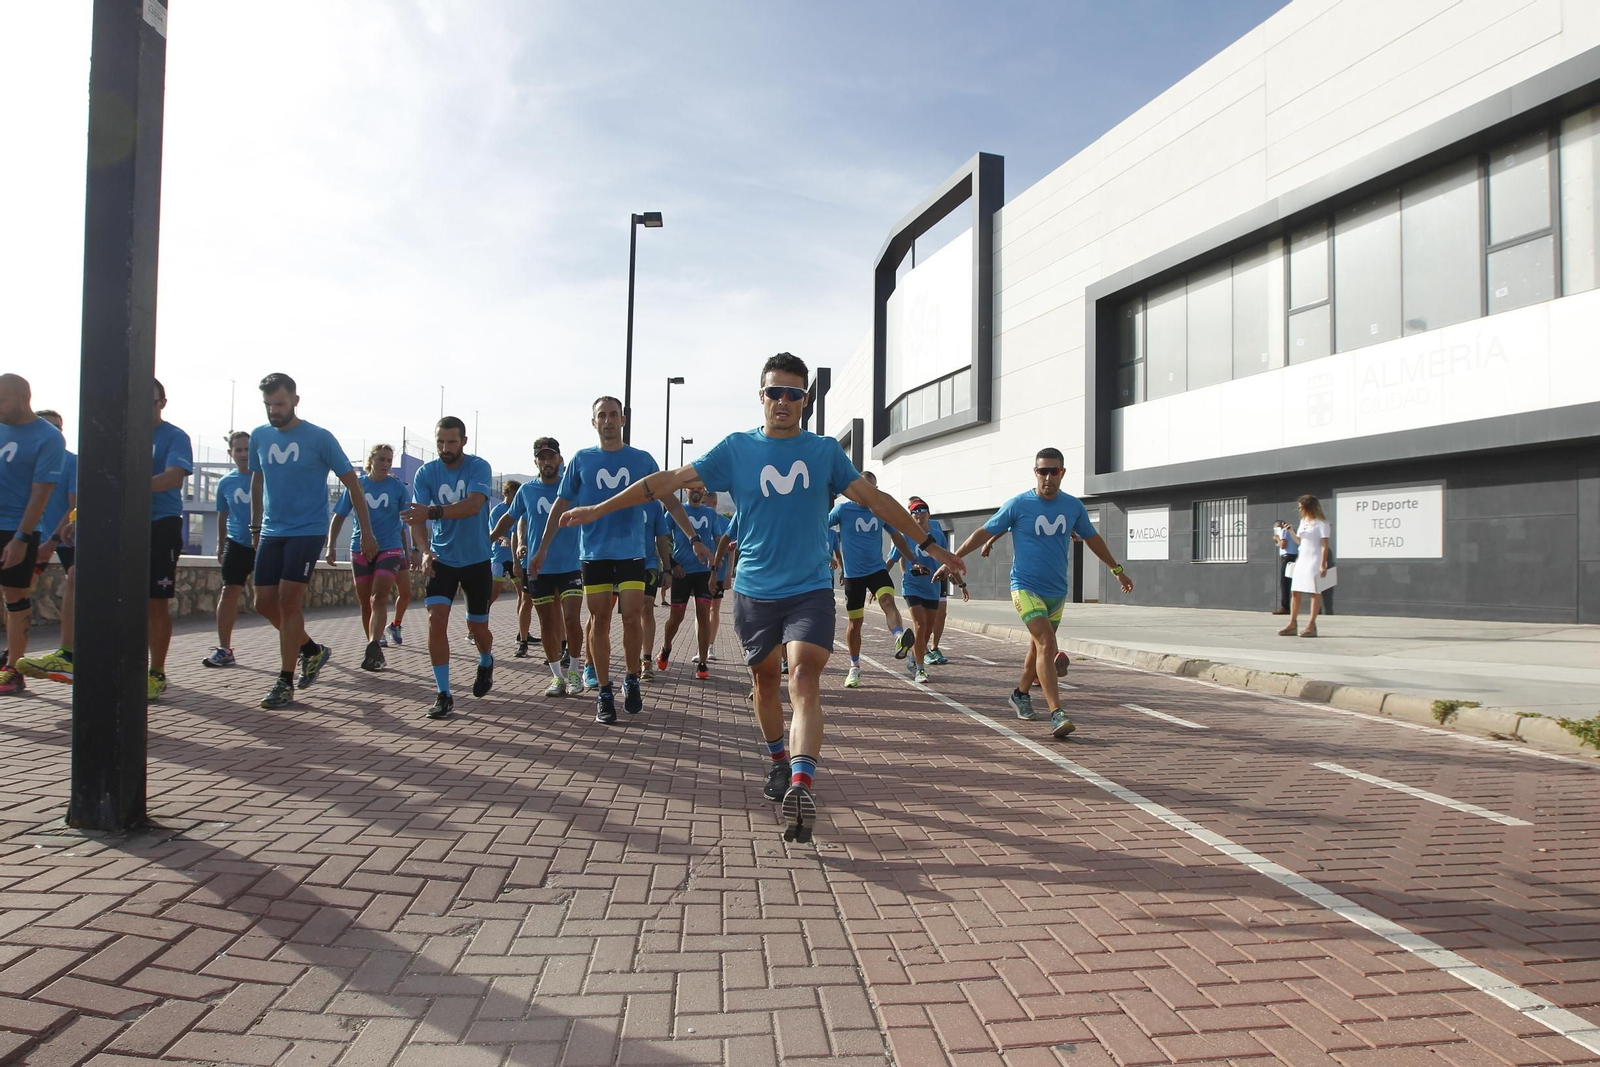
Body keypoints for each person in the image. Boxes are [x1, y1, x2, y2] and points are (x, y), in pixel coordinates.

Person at [560, 353, 965, 843]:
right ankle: (777, 757)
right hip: (754, 590)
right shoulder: (735, 450)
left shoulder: (824, 453)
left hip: (811, 589)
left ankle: (801, 780)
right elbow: (662, 484)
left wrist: (930, 544)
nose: (784, 401)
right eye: (775, 392)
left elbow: (876, 501)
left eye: (794, 393)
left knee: (804, 678)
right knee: (765, 681)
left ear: (805, 400)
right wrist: (596, 509)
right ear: (762, 396)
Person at [529, 396, 703, 725]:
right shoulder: (581, 460)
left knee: (633, 616)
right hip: (593, 555)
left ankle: (632, 678)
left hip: (632, 552)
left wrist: (693, 539)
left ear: (623, 420)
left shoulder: (642, 460)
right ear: (593, 422)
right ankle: (605, 692)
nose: (608, 420)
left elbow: (672, 503)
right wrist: (541, 550)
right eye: (602, 416)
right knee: (600, 619)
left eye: (614, 415)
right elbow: (559, 506)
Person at [942, 448, 1133, 740]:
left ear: (1062, 473)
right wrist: (952, 557)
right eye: (1042, 471)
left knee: (1036, 649)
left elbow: (1093, 539)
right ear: (1035, 472)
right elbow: (984, 530)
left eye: (1053, 471)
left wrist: (1116, 569)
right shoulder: (1019, 504)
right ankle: (1058, 713)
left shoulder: (1073, 507)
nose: (1048, 477)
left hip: (1057, 592)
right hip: (1025, 586)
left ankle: (1020, 693)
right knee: (1047, 643)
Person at [249, 373, 377, 710]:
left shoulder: (319, 438)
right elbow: (257, 482)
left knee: (288, 600)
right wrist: (253, 526)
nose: (273, 411)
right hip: (270, 531)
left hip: (307, 529)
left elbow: (354, 486)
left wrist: (367, 533)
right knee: (263, 603)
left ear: (295, 400)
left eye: (279, 403)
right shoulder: (259, 437)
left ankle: (284, 681)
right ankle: (311, 650)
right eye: (268, 405)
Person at [400, 416, 496, 719]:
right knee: (436, 618)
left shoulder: (478, 467)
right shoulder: (426, 473)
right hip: (442, 559)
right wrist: (424, 551)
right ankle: (443, 693)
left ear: (463, 442)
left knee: (477, 628)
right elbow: (417, 518)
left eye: (451, 442)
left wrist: (434, 511)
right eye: (440, 442)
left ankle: (486, 660)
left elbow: (473, 506)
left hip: (477, 560)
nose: (444, 447)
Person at [492, 437, 584, 697]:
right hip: (538, 568)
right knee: (547, 623)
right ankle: (557, 677)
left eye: (551, 456)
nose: (546, 462)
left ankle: (575, 671)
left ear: (560, 459)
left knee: (571, 619)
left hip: (570, 565)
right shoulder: (527, 491)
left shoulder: (573, 489)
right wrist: (487, 539)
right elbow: (511, 519)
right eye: (541, 458)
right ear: (536, 461)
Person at [0, 375, 66, 695]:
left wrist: (21, 538)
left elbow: (41, 493)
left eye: (2, 401)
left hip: (16, 528)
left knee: (15, 595)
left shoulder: (48, 437)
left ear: (23, 398)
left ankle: (14, 669)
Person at [828, 471, 915, 689]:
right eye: (867, 488)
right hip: (853, 576)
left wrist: (913, 560)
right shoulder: (843, 509)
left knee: (888, 601)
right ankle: (854, 666)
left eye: (874, 488)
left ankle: (898, 637)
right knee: (855, 624)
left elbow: (897, 537)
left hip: (877, 570)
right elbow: (819, 526)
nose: (870, 493)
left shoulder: (880, 510)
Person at [328, 443, 408, 671]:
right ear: (371, 460)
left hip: (390, 548)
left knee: (379, 597)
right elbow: (339, 516)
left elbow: (406, 523)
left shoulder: (399, 488)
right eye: (381, 459)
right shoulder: (356, 486)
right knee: (365, 604)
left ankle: (374, 644)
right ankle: (374, 648)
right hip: (360, 549)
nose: (385, 464)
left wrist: (410, 549)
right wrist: (330, 545)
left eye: (389, 460)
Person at [13, 409, 76, 686]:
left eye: (60, 427)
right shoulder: (26, 459)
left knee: (76, 582)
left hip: (64, 539)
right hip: (32, 537)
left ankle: (70, 655)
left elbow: (75, 504)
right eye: (50, 426)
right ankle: (14, 657)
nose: (56, 432)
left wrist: (52, 541)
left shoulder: (73, 462)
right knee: (18, 594)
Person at [146, 379, 194, 701]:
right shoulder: (118, 433)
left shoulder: (175, 437)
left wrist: (130, 486)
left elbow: (173, 477)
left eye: (150, 401)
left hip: (161, 525)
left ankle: (157, 672)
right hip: (122, 526)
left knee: (155, 602)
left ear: (163, 403)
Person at [885, 496, 966, 682]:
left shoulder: (938, 536)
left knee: (928, 629)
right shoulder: (905, 536)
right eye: (915, 512)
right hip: (912, 587)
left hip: (932, 587)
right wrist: (878, 583)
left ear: (929, 515)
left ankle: (914, 658)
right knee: (920, 625)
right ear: (910, 516)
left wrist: (961, 583)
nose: (919, 515)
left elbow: (948, 560)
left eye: (922, 511)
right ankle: (920, 669)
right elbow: (891, 560)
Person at [657, 484, 721, 679]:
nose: (696, 491)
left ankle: (702, 663)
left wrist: (715, 571)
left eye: (700, 488)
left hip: (703, 572)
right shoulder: (676, 512)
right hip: (681, 573)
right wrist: (672, 565)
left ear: (704, 491)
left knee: (704, 615)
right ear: (685, 491)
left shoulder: (711, 514)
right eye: (692, 487)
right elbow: (660, 538)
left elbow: (719, 542)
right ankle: (666, 647)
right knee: (676, 618)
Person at [202, 431, 254, 667]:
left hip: (265, 542)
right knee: (229, 591)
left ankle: (297, 644)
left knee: (274, 598)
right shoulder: (226, 482)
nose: (243, 454)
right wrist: (221, 544)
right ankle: (225, 649)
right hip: (236, 543)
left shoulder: (266, 477)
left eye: (247, 449)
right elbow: (223, 514)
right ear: (230, 453)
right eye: (239, 450)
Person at [1278, 494, 1330, 638]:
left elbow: (1324, 546)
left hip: (1314, 560)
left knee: (1314, 592)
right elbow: (1299, 541)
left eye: (1301, 506)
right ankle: (1292, 624)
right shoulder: (1304, 521)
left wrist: (1323, 564)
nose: (1299, 509)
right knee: (1295, 591)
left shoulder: (1322, 523)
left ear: (1308, 507)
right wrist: (1291, 532)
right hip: (1302, 560)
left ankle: (1311, 625)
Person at [638, 499, 674, 680]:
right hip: (625, 561)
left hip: (649, 564)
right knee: (631, 613)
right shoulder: (623, 498)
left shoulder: (654, 505)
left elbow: (661, 538)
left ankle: (646, 660)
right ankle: (633, 658)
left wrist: (667, 569)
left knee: (647, 607)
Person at [704, 492, 732, 659]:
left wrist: (728, 575)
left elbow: (731, 552)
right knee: (702, 609)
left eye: (706, 504)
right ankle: (702, 644)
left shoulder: (725, 523)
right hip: (701, 573)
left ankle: (710, 646)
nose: (704, 507)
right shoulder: (700, 522)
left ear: (714, 503)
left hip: (719, 575)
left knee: (714, 609)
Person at [487, 480, 519, 624]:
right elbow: (492, 531)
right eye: (514, 493)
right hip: (499, 558)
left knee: (524, 595)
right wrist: (503, 539)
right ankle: (475, 628)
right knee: (492, 595)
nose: (516, 496)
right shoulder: (497, 510)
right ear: (507, 493)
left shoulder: (519, 510)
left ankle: (523, 632)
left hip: (515, 558)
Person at [1272, 519, 1297, 616]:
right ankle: (1286, 606)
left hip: (1288, 557)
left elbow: (1282, 545)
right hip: (1290, 557)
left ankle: (1285, 607)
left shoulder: (1284, 531)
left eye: (1276, 526)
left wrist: (1277, 538)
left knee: (1284, 582)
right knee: (1287, 582)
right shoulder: (1288, 531)